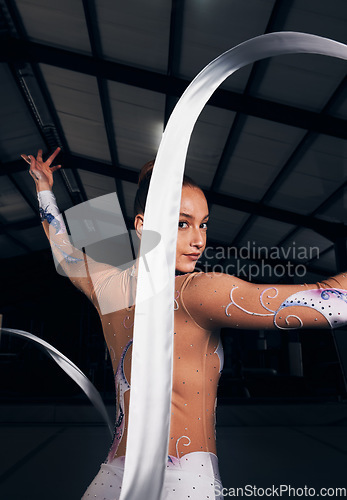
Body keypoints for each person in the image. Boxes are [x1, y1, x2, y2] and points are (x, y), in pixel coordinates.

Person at [22, 148, 347, 500]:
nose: (199, 240)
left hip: (113, 478)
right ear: (143, 226)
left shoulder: (105, 284)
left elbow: (62, 248)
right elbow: (332, 302)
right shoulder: (198, 292)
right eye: (182, 223)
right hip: (186, 482)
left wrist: (43, 189)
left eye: (203, 223)